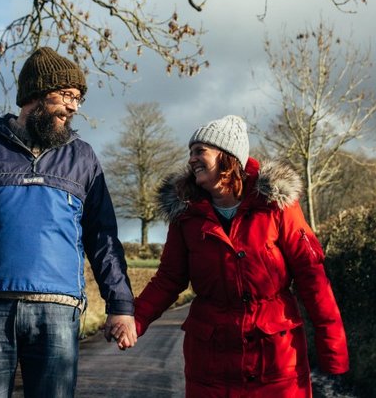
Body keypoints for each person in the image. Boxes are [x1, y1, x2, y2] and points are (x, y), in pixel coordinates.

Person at [0, 46, 137, 398]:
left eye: (78, 99)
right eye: (66, 95)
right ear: (36, 93)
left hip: (58, 311)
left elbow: (103, 239)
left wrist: (121, 307)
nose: (73, 107)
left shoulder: (82, 157)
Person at [133, 114, 349, 397]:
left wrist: (332, 348)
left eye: (200, 151)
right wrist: (134, 320)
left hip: (276, 358)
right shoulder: (185, 215)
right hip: (210, 364)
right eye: (191, 152)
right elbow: (169, 279)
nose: (192, 159)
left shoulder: (277, 205)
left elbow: (312, 275)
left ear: (228, 157)